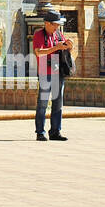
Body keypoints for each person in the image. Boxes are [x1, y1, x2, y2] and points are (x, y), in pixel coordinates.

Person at [32, 11, 72, 141]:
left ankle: (55, 131)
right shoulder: (39, 35)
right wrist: (56, 47)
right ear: (47, 23)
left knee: (58, 103)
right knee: (43, 103)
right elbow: (39, 52)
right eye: (54, 24)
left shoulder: (59, 34)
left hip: (57, 70)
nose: (56, 27)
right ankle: (40, 132)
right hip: (44, 69)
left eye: (57, 25)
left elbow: (64, 49)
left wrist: (69, 46)